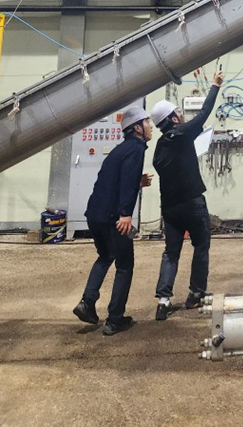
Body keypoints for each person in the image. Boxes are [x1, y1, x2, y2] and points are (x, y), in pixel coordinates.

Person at [73, 106, 153, 336]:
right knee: (125, 266)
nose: (151, 127)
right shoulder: (137, 148)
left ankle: (86, 304)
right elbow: (125, 183)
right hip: (114, 218)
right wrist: (125, 213)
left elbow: (115, 181)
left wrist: (137, 182)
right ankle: (115, 319)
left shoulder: (120, 150)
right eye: (147, 123)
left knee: (106, 256)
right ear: (137, 128)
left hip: (95, 215)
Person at [151, 70, 223, 320]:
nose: (181, 114)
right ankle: (196, 294)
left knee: (171, 252)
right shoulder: (180, 135)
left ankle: (163, 299)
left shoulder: (160, 147)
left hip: (170, 209)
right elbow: (203, 115)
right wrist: (214, 86)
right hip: (192, 204)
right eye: (177, 113)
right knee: (201, 246)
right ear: (171, 119)